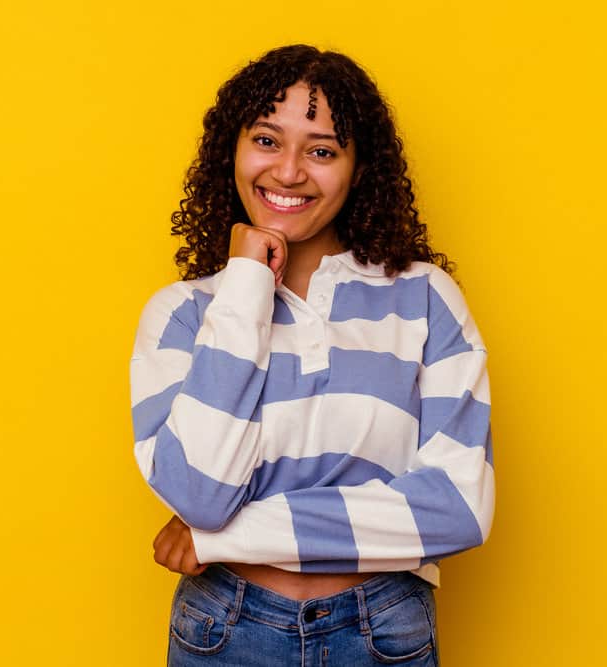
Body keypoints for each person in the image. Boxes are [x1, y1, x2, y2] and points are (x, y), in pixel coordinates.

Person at [130, 44, 495, 666]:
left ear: (359, 169)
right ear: (233, 151)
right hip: (222, 630)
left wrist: (226, 538)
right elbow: (199, 494)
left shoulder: (424, 298)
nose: (290, 171)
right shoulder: (182, 315)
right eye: (267, 140)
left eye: (321, 150)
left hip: (384, 633)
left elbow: (457, 510)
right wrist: (246, 282)